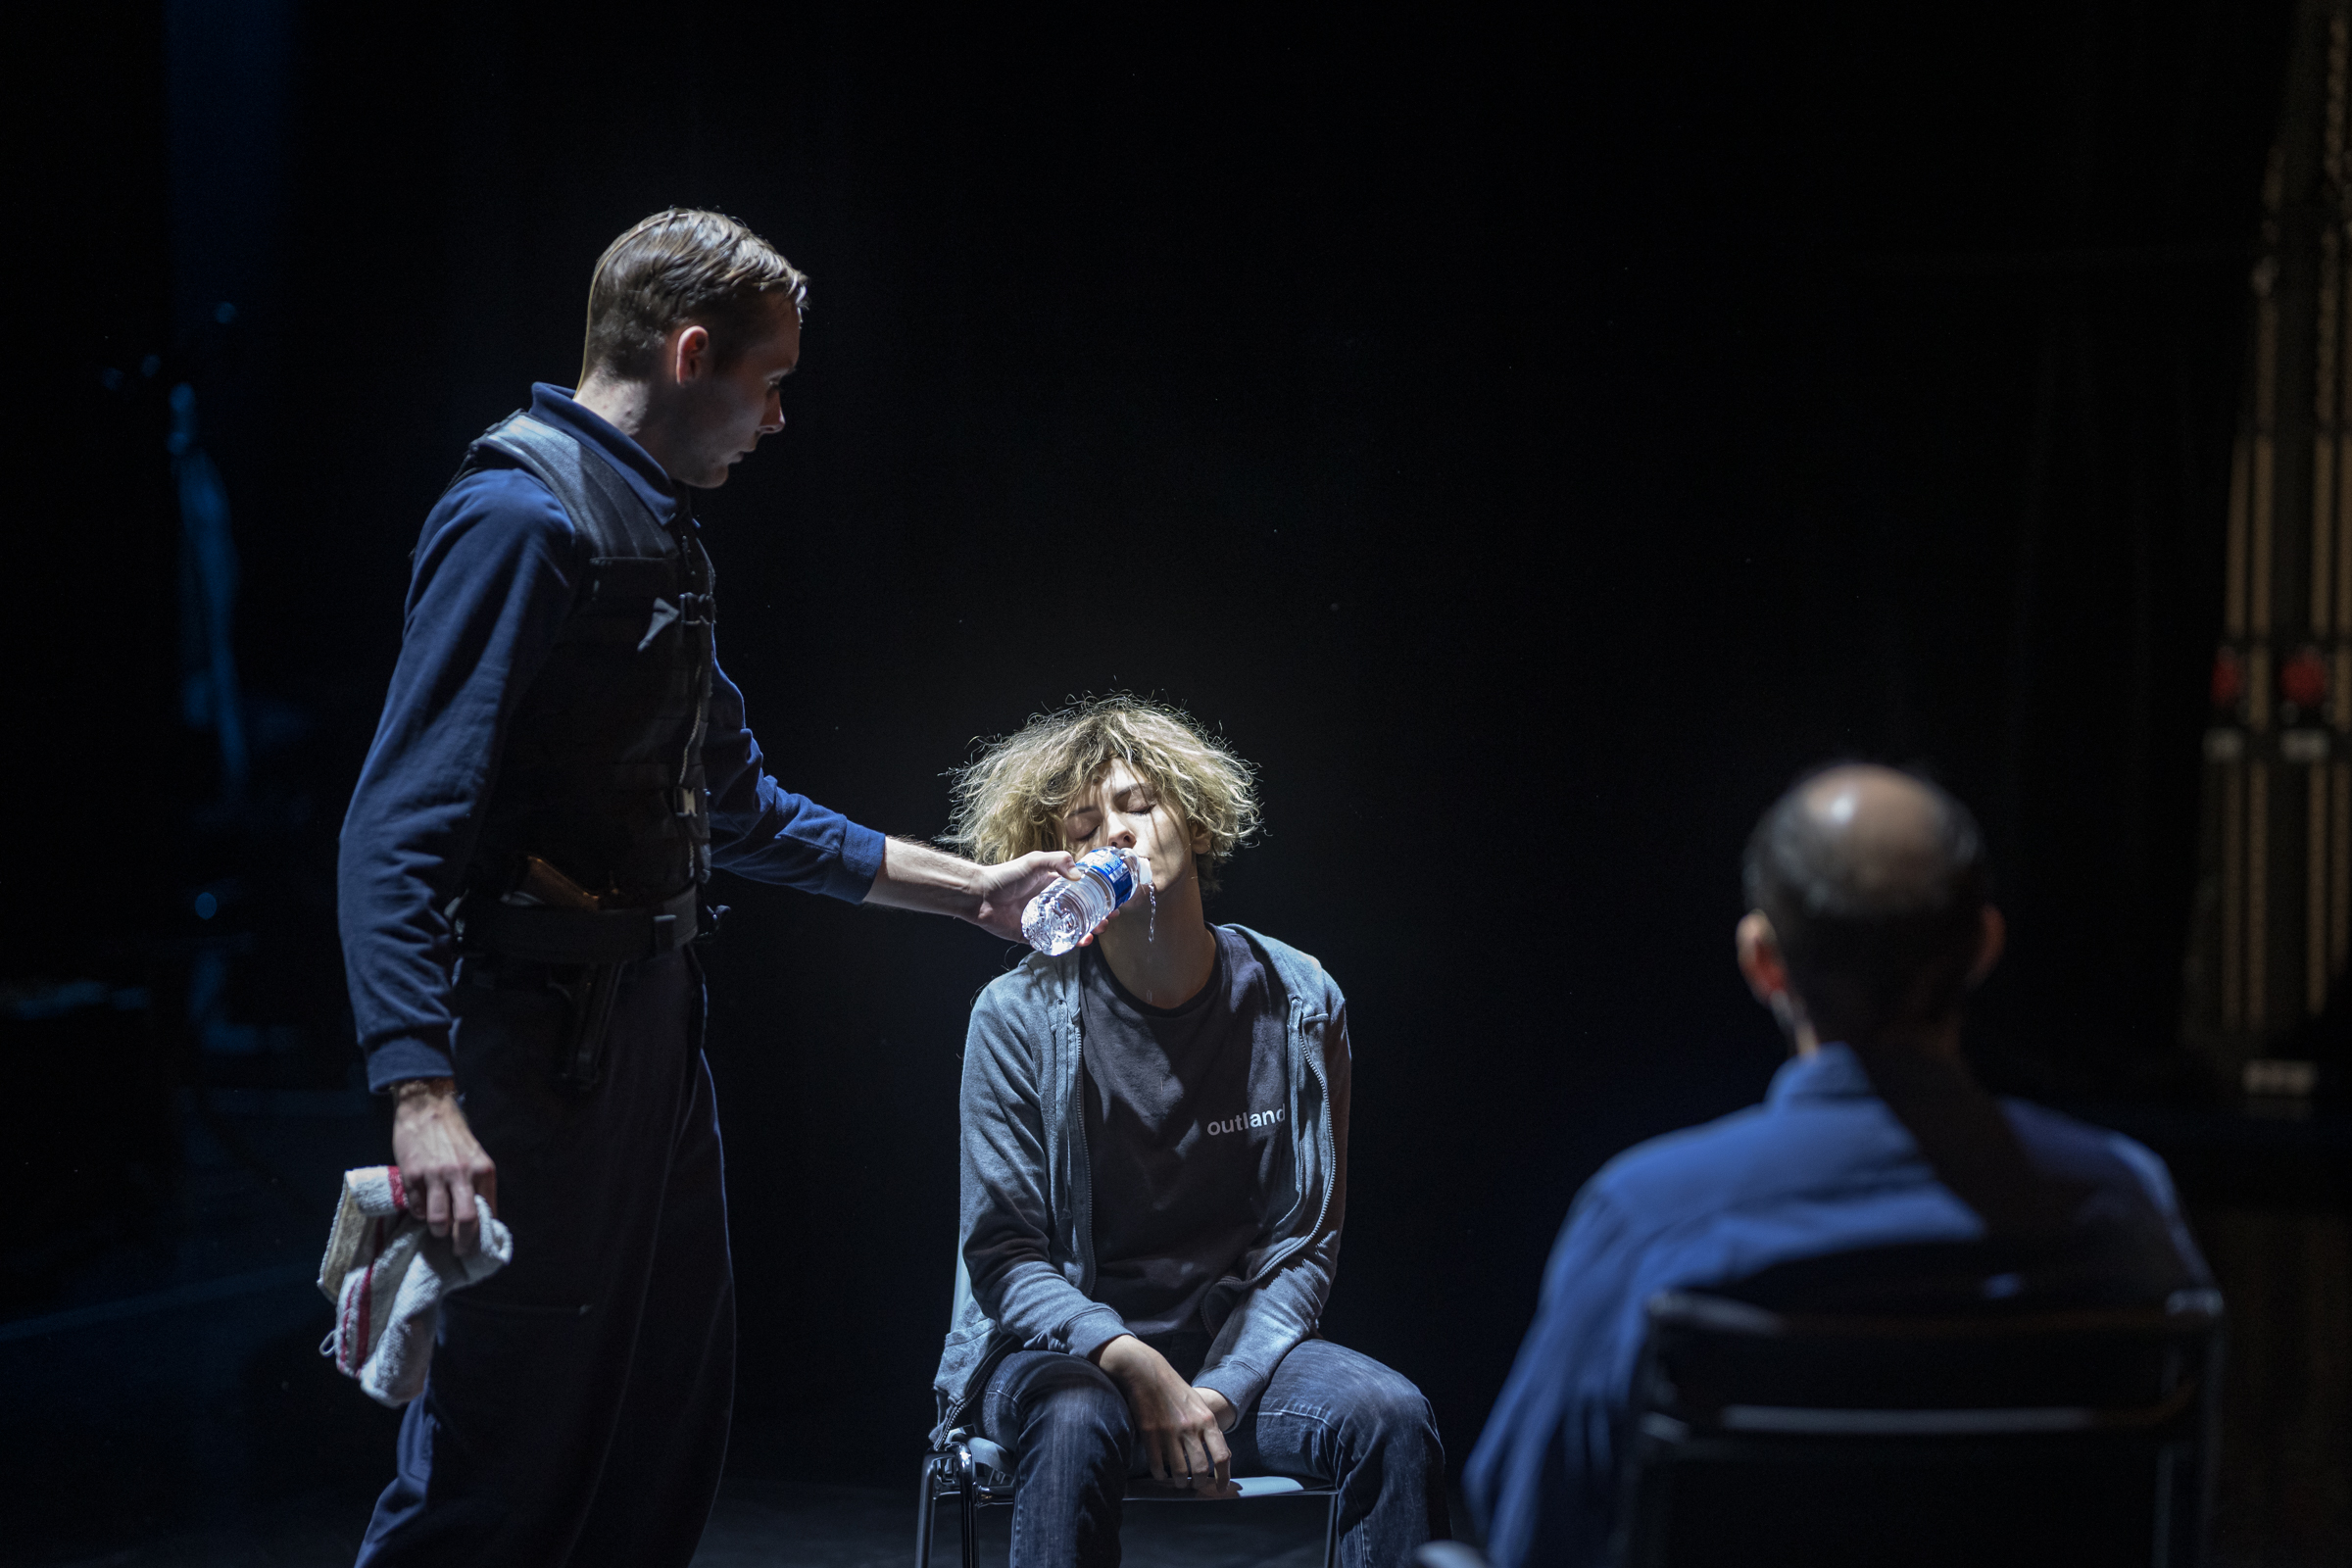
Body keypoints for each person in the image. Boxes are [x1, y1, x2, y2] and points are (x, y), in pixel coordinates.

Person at [337, 209, 1086, 1567]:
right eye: (770, 381)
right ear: (691, 354)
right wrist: (420, 1093)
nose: (779, 419)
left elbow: (740, 805)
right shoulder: (520, 519)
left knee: (656, 1427)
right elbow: (398, 823)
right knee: (504, 1462)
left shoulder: (655, 527)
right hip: (538, 1056)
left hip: (648, 1039)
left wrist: (973, 889)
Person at [1462, 763, 2213, 1568]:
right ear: (1983, 945)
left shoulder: (1646, 1219)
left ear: (1763, 960)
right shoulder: (2124, 1210)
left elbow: (1529, 1534)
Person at [931, 697, 1448, 1568]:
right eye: (1084, 826)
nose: (1115, 833)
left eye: (1139, 805)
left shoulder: (1301, 1000)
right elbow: (1005, 1258)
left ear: (1199, 825)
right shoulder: (1016, 1015)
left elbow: (1305, 1243)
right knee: (1074, 1417)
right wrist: (1131, 1362)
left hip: (1231, 1360)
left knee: (1390, 1417)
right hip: (1066, 1358)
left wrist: (1218, 1391)